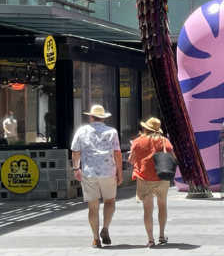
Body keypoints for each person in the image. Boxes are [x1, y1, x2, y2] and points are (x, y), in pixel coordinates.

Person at [71, 104, 123, 249]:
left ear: (91, 117)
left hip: (89, 173)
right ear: (103, 118)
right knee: (110, 201)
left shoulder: (82, 131)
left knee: (92, 207)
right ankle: (105, 228)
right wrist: (120, 172)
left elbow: (75, 152)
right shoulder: (112, 132)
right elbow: (117, 153)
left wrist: (76, 168)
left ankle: (95, 239)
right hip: (108, 172)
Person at [128, 117, 174, 247]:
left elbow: (131, 160)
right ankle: (162, 235)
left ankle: (150, 239)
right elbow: (173, 158)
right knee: (162, 205)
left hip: (144, 178)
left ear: (145, 129)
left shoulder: (137, 141)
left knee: (147, 210)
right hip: (162, 177)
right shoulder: (165, 141)